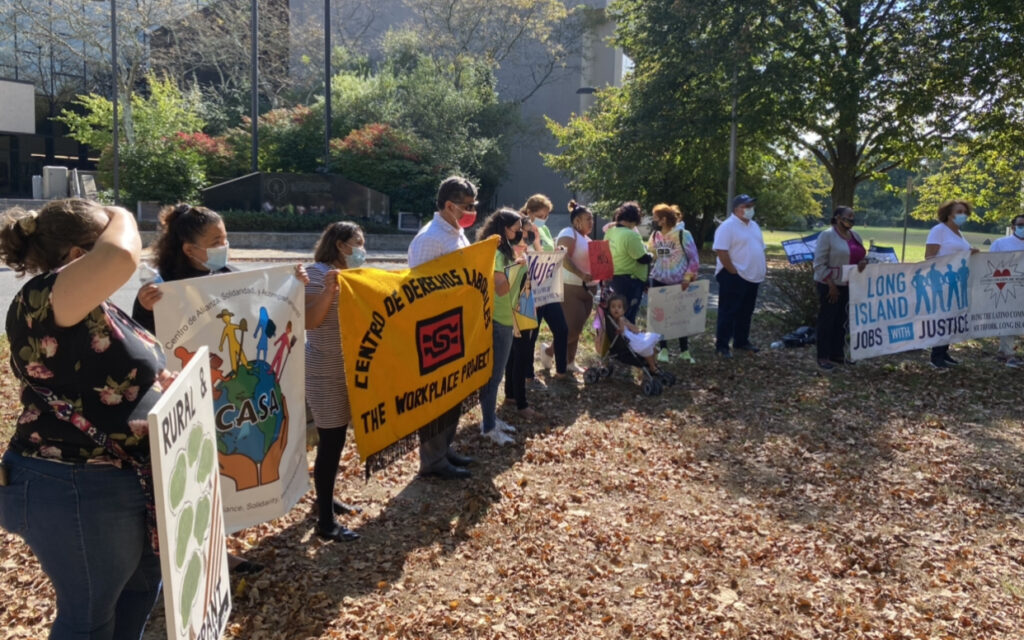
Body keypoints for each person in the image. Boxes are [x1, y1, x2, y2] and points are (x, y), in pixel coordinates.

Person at [0, 198, 169, 639]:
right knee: (89, 619)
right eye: (104, 238)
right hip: (75, 482)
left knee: (138, 591)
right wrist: (122, 212)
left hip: (123, 477)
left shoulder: (93, 304)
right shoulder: (45, 298)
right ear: (79, 257)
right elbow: (121, 255)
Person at [133, 204, 307, 573]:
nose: (224, 246)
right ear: (189, 249)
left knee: (225, 471)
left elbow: (264, 303)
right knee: (196, 473)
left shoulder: (228, 277)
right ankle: (190, 560)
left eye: (225, 238)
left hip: (235, 405)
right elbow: (144, 347)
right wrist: (144, 308)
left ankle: (219, 551)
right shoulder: (160, 291)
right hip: (190, 405)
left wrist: (295, 284)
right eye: (216, 241)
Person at [407, 176, 480, 479]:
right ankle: (432, 460)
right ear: (449, 205)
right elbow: (419, 289)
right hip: (436, 328)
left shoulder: (456, 232)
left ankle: (444, 448)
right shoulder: (429, 239)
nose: (471, 211)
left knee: (453, 393)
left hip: (457, 323)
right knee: (438, 396)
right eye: (467, 205)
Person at [304, 221, 366, 542]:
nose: (362, 250)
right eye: (358, 242)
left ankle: (325, 500)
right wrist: (329, 291)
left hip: (347, 371)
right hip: (324, 371)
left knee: (337, 440)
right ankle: (325, 523)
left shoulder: (354, 276)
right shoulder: (316, 274)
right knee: (330, 443)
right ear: (341, 245)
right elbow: (309, 319)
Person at [477, 209, 526, 445]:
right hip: (499, 318)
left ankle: (491, 419)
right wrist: (518, 266)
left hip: (505, 316)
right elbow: (501, 288)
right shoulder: (497, 252)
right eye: (515, 228)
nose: (518, 232)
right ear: (503, 228)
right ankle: (488, 426)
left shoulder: (502, 248)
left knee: (495, 374)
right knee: (494, 376)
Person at [520, 194, 570, 385]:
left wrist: (558, 253)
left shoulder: (546, 230)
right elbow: (527, 254)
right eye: (540, 215)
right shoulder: (522, 231)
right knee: (531, 333)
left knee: (562, 329)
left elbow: (547, 252)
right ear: (529, 212)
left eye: (546, 215)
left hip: (548, 288)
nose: (544, 219)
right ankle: (527, 374)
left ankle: (562, 371)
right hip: (531, 288)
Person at [923, 199, 978, 368]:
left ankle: (944, 352)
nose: (963, 215)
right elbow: (929, 256)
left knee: (951, 318)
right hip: (942, 281)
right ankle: (936, 356)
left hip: (957, 283)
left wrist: (971, 253)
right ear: (948, 214)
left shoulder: (959, 234)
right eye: (959, 212)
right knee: (942, 318)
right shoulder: (938, 230)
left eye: (965, 212)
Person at [812, 206, 867, 371]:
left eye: (853, 217)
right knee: (827, 320)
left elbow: (860, 257)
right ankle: (823, 356)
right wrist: (830, 284)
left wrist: (863, 263)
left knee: (841, 321)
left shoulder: (855, 236)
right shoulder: (827, 235)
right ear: (837, 218)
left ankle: (837, 352)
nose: (851, 220)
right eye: (848, 217)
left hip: (849, 284)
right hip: (829, 284)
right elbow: (819, 263)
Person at [713, 194, 766, 358]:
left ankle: (741, 341)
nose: (750, 209)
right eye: (746, 206)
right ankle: (722, 345)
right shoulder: (728, 226)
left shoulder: (754, 226)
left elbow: (759, 247)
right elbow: (721, 250)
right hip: (734, 275)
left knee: (746, 311)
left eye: (751, 206)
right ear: (737, 209)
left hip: (751, 276)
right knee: (728, 311)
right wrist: (732, 271)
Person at [648, 203, 700, 363]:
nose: (655, 220)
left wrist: (687, 278)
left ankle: (684, 350)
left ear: (664, 219)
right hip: (658, 280)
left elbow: (694, 258)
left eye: (657, 218)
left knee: (680, 314)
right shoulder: (656, 236)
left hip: (678, 282)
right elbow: (654, 254)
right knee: (660, 315)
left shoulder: (683, 235)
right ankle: (664, 348)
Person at [555, 201, 595, 373]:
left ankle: (570, 362)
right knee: (571, 330)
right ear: (577, 220)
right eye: (588, 219)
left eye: (592, 219)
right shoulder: (568, 232)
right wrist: (580, 274)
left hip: (587, 289)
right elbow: (562, 257)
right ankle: (550, 352)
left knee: (577, 329)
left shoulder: (588, 239)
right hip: (570, 286)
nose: (591, 222)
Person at [606, 201, 653, 323]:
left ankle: (615, 341)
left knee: (615, 316)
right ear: (634, 219)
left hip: (613, 279)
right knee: (628, 316)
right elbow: (642, 258)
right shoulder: (630, 235)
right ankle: (627, 341)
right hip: (630, 280)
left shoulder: (610, 232)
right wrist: (652, 255)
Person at [988, 214, 1024, 367]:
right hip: (1008, 288)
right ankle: (1008, 353)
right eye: (1021, 225)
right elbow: (989, 263)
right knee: (1009, 320)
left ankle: (1004, 352)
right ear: (1013, 226)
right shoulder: (1001, 243)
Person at [605, 294, 662, 372]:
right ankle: (652, 367)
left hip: (634, 337)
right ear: (609, 309)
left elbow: (635, 329)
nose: (616, 309)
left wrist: (627, 324)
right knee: (647, 347)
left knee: (652, 347)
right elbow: (621, 330)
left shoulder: (623, 319)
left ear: (624, 310)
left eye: (619, 307)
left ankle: (653, 364)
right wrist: (622, 323)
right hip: (630, 342)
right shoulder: (616, 321)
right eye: (613, 307)